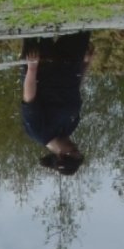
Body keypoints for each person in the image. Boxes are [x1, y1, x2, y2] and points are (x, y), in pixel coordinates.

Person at [23, 32, 93, 175]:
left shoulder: (38, 132)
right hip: (70, 66)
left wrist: (32, 68)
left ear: (61, 155)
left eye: (73, 150)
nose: (75, 145)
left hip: (42, 66)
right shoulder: (69, 128)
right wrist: (85, 64)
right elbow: (74, 90)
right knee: (81, 25)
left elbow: (29, 99)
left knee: (37, 25)